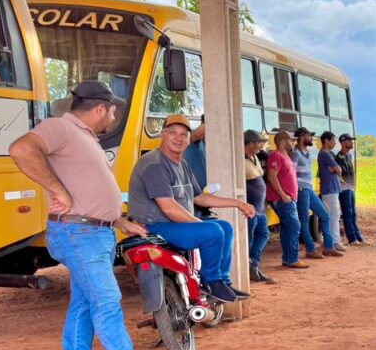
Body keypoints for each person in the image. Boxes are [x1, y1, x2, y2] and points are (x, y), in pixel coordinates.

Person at [8, 81, 165, 350]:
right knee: (107, 302)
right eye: (112, 111)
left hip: (96, 233)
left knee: (85, 303)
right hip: (79, 236)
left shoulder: (84, 137)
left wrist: (117, 220)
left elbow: (90, 188)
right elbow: (21, 149)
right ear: (100, 108)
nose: (112, 117)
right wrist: (58, 190)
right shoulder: (60, 128)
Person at [128, 114, 256, 304]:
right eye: (173, 133)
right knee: (212, 231)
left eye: (183, 134)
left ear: (189, 139)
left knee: (225, 227)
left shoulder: (182, 163)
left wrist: (238, 203)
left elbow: (199, 197)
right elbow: (169, 209)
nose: (179, 138)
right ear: (162, 135)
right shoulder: (154, 164)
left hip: (173, 224)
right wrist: (200, 225)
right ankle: (210, 282)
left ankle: (222, 281)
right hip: (154, 226)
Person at [291, 127, 335, 258]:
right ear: (302, 137)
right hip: (301, 190)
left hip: (309, 189)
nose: (311, 138)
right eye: (309, 136)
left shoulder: (308, 153)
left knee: (325, 215)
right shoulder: (295, 154)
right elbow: (290, 173)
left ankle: (328, 247)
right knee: (304, 220)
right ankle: (310, 249)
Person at [265, 130, 306, 269]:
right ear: (283, 141)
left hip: (288, 198)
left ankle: (288, 259)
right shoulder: (276, 156)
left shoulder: (285, 155)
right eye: (291, 140)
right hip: (282, 198)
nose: (293, 142)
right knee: (294, 225)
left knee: (288, 227)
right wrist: (283, 195)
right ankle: (292, 258)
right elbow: (272, 176)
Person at [243, 129, 275, 284]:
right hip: (250, 209)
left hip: (260, 208)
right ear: (249, 143)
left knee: (263, 234)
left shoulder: (255, 156)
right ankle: (248, 268)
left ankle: (253, 264)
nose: (260, 145)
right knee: (248, 239)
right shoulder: (240, 160)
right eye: (257, 142)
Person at [316, 131, 347, 255]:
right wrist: (335, 170)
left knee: (334, 215)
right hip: (329, 189)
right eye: (333, 141)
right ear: (326, 141)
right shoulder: (324, 154)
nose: (335, 143)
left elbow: (339, 169)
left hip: (333, 188)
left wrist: (335, 169)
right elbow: (339, 170)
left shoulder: (330, 154)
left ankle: (334, 240)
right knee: (333, 215)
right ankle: (334, 241)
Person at [336, 133, 364, 244]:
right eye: (349, 140)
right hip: (344, 189)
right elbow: (338, 175)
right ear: (343, 142)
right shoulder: (339, 157)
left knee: (353, 213)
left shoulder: (349, 156)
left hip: (351, 188)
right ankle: (352, 238)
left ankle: (358, 237)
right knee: (348, 213)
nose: (352, 142)